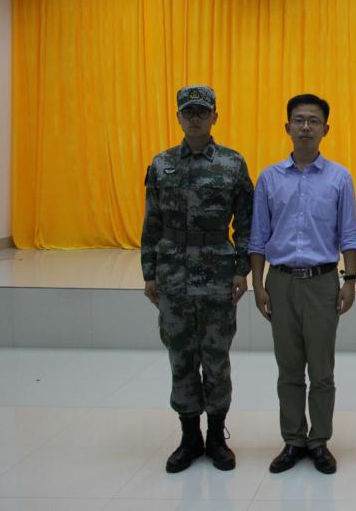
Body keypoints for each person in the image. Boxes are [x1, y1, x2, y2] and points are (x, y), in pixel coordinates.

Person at [141, 85, 254, 474]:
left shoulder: (232, 164)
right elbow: (151, 222)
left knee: (216, 357)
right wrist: (149, 272)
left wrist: (242, 269)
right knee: (181, 356)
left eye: (202, 112)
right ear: (178, 117)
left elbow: (246, 224)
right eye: (188, 112)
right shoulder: (161, 165)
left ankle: (216, 437)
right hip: (173, 274)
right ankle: (189, 437)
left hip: (217, 273)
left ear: (215, 117)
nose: (195, 118)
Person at [249, 93, 356, 475]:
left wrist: (349, 280)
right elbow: (258, 236)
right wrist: (258, 285)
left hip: (322, 282)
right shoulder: (269, 178)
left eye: (313, 121)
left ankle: (320, 441)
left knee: (322, 371)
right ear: (287, 127)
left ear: (326, 129)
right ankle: (293, 439)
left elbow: (348, 234)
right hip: (280, 283)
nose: (306, 127)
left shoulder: (339, 177)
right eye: (299, 120)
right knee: (289, 369)